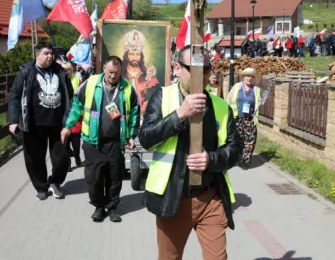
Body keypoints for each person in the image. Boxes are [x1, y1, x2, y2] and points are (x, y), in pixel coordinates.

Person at [139, 45, 242, 260]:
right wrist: (180, 114)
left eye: (205, 69)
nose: (202, 75)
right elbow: (146, 138)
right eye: (194, 69)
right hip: (173, 199)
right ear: (177, 68)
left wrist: (210, 159)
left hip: (210, 199)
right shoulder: (162, 96)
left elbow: (235, 149)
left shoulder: (221, 106)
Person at [62, 56, 140, 222]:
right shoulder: (90, 83)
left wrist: (132, 136)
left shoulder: (127, 88)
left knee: (114, 178)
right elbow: (76, 105)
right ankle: (99, 206)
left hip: (115, 142)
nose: (113, 76)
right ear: (104, 68)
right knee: (94, 178)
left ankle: (112, 208)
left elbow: (134, 112)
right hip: (92, 142)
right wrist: (68, 126)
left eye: (117, 73)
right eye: (111, 72)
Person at [8, 42, 74, 200]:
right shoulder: (26, 72)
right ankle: (41, 186)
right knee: (34, 159)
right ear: (37, 55)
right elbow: (15, 96)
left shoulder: (60, 72)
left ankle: (56, 183)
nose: (50, 56)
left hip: (58, 125)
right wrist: (13, 120)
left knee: (62, 158)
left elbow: (71, 97)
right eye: (46, 53)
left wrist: (69, 121)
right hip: (33, 125)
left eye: (51, 53)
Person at [226, 68, 264, 168]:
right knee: (237, 140)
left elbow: (259, 104)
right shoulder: (236, 87)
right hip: (236, 118)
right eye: (247, 76)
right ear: (243, 77)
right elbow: (228, 100)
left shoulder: (256, 90)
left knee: (250, 141)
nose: (249, 78)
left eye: (251, 76)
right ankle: (236, 158)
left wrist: (263, 99)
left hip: (249, 119)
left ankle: (245, 161)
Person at [121, 29, 160, 113]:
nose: (135, 57)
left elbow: (153, 97)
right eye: (131, 54)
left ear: (141, 56)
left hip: (142, 115)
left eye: (137, 54)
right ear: (126, 56)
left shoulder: (148, 76)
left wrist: (142, 110)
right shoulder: (120, 74)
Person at [59, 61, 83, 166]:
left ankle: (77, 155)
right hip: (63, 116)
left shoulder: (77, 81)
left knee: (76, 143)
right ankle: (68, 162)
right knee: (65, 144)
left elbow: (82, 96)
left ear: (71, 70)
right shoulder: (58, 82)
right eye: (64, 70)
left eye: (68, 69)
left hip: (75, 116)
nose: (66, 72)